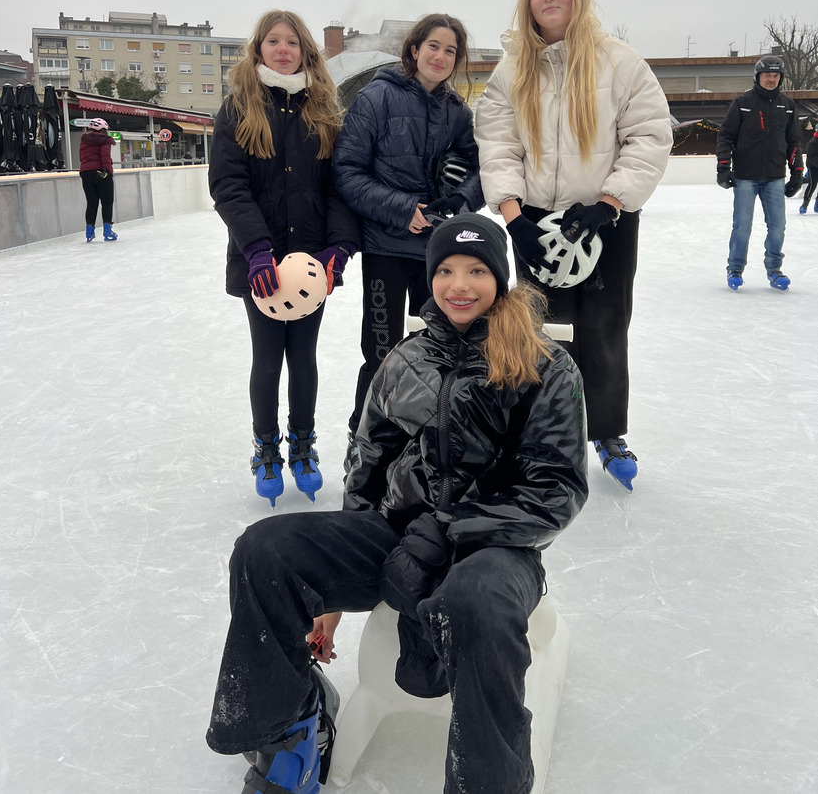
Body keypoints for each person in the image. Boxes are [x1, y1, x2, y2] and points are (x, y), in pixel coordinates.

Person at [205, 213, 588, 794]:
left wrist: (452, 527)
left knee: (477, 599)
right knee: (265, 551)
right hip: (395, 537)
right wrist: (328, 591)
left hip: (496, 550)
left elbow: (556, 489)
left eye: (477, 270)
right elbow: (366, 468)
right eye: (446, 270)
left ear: (500, 277)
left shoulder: (545, 366)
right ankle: (290, 728)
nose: (459, 285)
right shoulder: (405, 360)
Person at [474, 0, 672, 491]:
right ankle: (546, 434)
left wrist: (610, 203)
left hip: (604, 219)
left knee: (605, 327)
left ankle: (607, 431)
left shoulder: (620, 62)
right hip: (536, 222)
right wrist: (514, 218)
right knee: (541, 332)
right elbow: (497, 144)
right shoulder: (512, 70)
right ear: (527, 2)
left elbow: (649, 135)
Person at [208, 10, 360, 505]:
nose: (282, 49)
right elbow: (229, 186)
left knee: (304, 357)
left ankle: (302, 444)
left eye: (292, 42)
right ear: (258, 50)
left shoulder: (323, 111)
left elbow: (338, 186)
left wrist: (339, 247)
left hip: (311, 263)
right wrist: (256, 251)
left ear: (305, 51)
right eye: (273, 41)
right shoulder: (238, 110)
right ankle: (267, 448)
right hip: (262, 264)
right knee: (268, 357)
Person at [331, 14, 483, 471]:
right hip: (386, 248)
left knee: (436, 350)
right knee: (381, 351)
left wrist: (459, 200)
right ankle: (363, 439)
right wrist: (402, 209)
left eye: (450, 51)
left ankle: (426, 439)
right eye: (433, 46)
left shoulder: (457, 111)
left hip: (437, 255)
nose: (440, 56)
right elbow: (347, 172)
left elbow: (484, 170)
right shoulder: (376, 98)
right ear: (415, 49)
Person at [716, 55, 804, 291]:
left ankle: (774, 270)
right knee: (742, 226)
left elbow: (794, 142)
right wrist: (723, 167)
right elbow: (726, 136)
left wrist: (797, 172)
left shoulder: (787, 106)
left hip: (775, 177)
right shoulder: (743, 102)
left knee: (778, 226)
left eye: (775, 76)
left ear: (780, 78)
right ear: (758, 77)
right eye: (767, 75)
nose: (771, 79)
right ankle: (735, 269)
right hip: (745, 176)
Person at [78, 118, 118, 241]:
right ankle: (107, 231)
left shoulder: (84, 141)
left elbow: (82, 158)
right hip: (101, 173)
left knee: (91, 203)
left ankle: (89, 232)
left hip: (86, 174)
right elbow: (105, 157)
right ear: (104, 129)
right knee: (107, 202)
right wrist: (106, 171)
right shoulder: (104, 140)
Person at [798, 131, 818, 214]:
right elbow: (811, 157)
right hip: (813, 167)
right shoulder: (813, 142)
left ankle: (817, 203)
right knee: (812, 185)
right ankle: (805, 203)